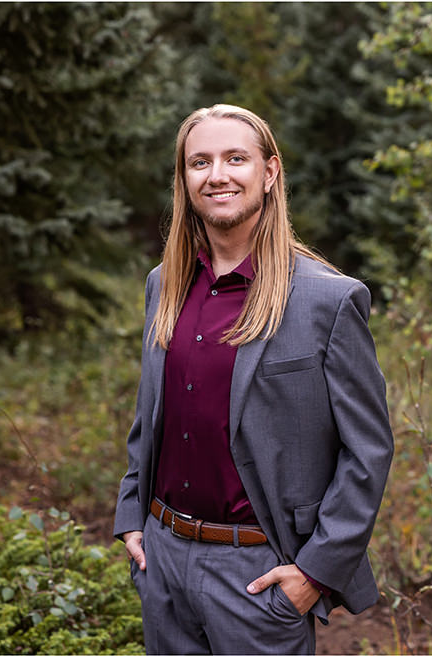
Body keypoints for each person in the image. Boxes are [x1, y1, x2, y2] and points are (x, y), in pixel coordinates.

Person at [113, 104, 394, 655]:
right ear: (184, 180)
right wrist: (131, 515)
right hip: (164, 563)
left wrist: (313, 572)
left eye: (235, 158)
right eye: (200, 162)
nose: (217, 174)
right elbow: (151, 415)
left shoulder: (326, 300)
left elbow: (368, 451)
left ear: (269, 173)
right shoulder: (163, 286)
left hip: (258, 575)